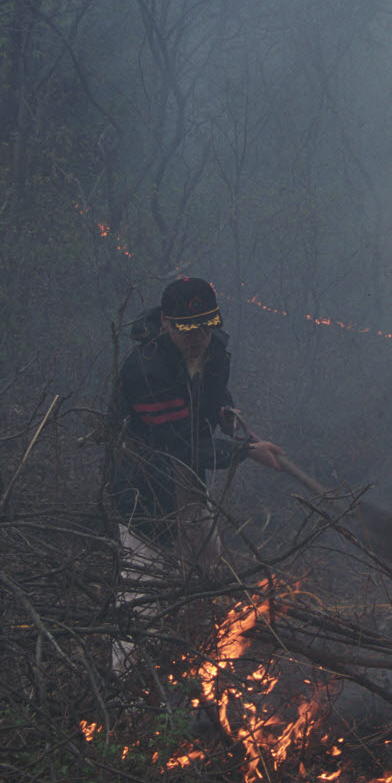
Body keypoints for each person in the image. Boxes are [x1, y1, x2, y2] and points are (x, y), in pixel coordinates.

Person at [107, 275, 282, 673]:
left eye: (206, 325)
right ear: (167, 323)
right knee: (142, 584)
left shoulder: (215, 351)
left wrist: (226, 414)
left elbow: (214, 396)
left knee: (206, 559)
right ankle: (122, 685)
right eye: (187, 329)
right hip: (145, 483)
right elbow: (178, 444)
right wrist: (247, 451)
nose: (198, 337)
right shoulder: (145, 370)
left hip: (188, 480)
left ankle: (187, 652)